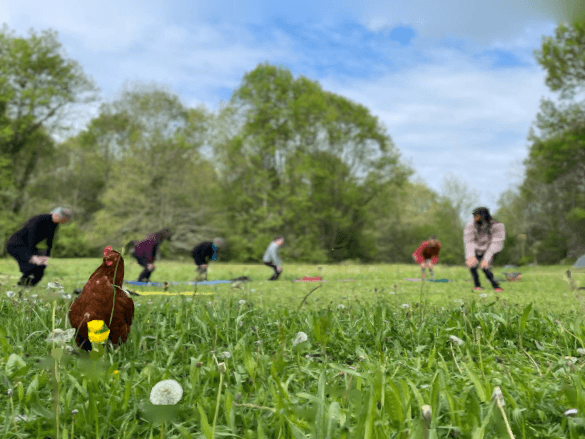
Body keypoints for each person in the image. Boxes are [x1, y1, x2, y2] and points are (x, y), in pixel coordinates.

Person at [6, 207, 72, 286]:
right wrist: (33, 256)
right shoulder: (38, 219)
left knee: (41, 267)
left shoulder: (54, 224)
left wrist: (46, 256)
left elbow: (49, 240)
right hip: (15, 244)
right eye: (64, 220)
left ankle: (25, 286)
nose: (64, 222)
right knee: (31, 266)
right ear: (57, 215)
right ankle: (22, 286)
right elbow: (31, 237)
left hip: (27, 246)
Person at [464, 207, 505, 292]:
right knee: (473, 266)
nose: (475, 218)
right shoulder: (470, 226)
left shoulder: (497, 226)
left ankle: (496, 286)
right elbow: (469, 241)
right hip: (476, 248)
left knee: (485, 268)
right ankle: (477, 286)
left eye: (477, 216)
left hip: (489, 248)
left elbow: (496, 243)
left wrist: (486, 259)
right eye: (474, 216)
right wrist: (470, 256)